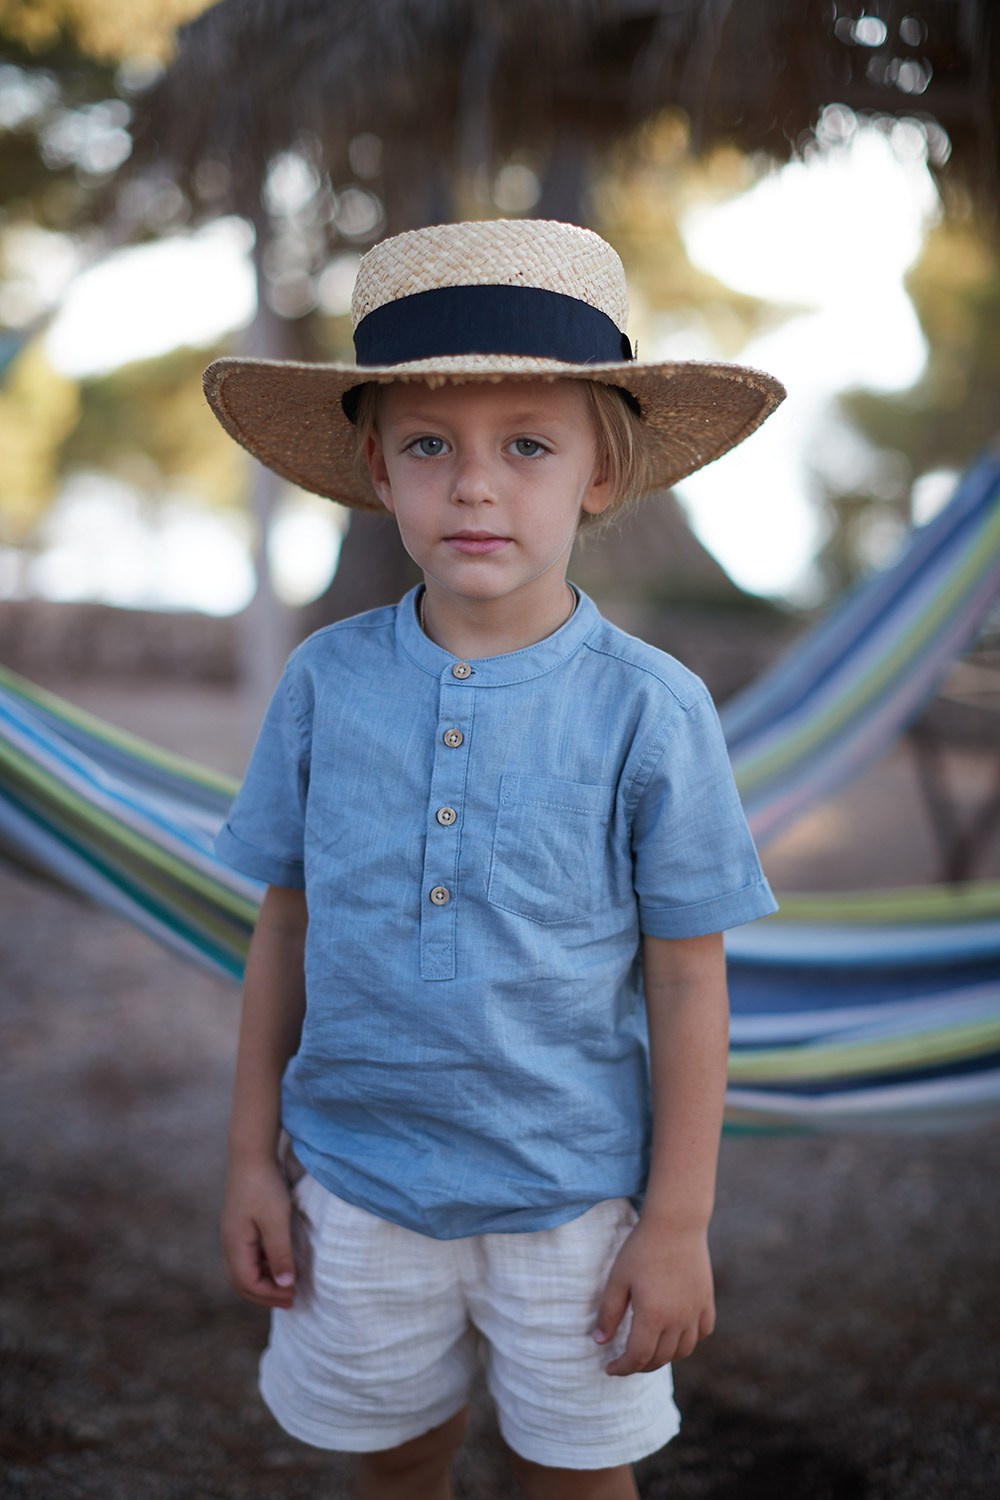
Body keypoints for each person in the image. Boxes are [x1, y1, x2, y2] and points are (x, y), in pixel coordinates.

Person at [205, 218, 784, 1500]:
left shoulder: (653, 709)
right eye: (430, 446)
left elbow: (689, 983)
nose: (475, 485)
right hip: (352, 1190)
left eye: (526, 444)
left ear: (600, 470)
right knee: (397, 1461)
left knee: (575, 1479)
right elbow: (284, 929)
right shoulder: (322, 684)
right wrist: (253, 1156)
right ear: (377, 469)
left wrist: (676, 1223)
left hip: (573, 1201)